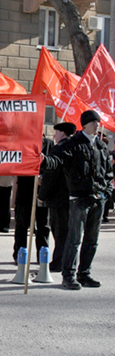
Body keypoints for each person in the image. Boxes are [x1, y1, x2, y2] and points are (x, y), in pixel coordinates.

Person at [42, 111, 113, 290]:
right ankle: (68, 276)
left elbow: (107, 171)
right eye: (94, 122)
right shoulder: (73, 143)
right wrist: (44, 161)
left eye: (98, 122)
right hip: (79, 198)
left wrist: (107, 190)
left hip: (98, 198)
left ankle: (85, 274)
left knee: (92, 239)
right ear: (85, 124)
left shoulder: (100, 145)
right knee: (74, 239)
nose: (97, 125)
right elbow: (56, 160)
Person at [38, 122, 76, 272]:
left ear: (63, 133)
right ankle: (66, 260)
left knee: (60, 231)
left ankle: (59, 262)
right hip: (71, 196)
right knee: (67, 231)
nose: (54, 135)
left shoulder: (60, 148)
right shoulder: (75, 147)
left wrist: (42, 195)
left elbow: (51, 175)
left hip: (59, 197)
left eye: (57, 132)